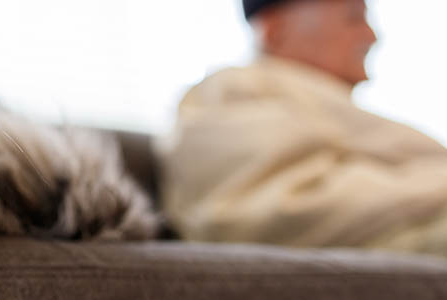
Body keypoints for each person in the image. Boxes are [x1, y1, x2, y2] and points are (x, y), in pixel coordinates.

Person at [162, 0, 447, 257]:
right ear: (275, 30)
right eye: (353, 17)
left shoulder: (319, 106)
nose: (372, 36)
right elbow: (285, 208)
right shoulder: (233, 90)